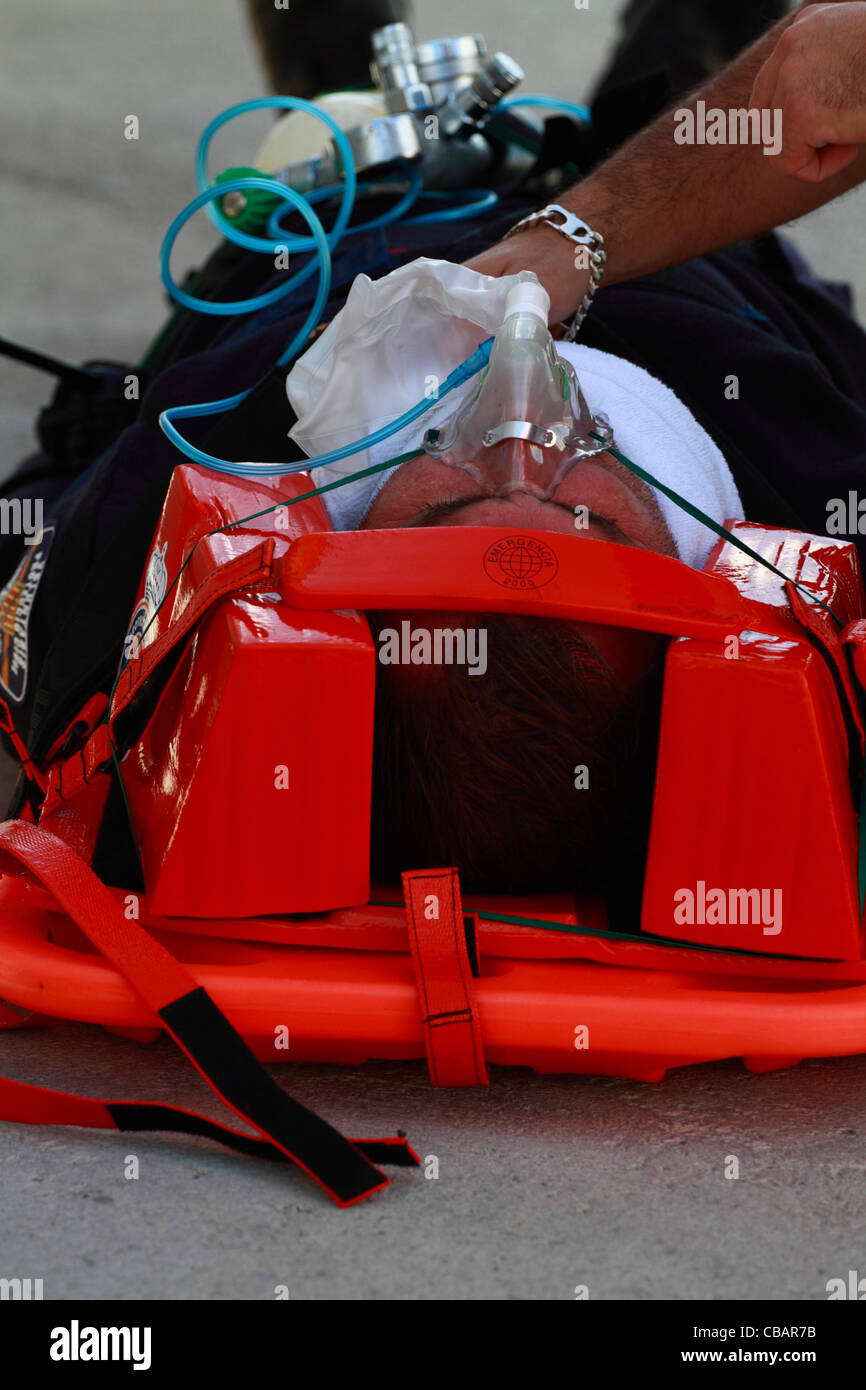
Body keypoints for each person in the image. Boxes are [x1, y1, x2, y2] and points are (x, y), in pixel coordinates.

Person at [3, 0, 866, 903]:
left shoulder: (156, 525)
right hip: (714, 243)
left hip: (338, 235)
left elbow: (48, 539)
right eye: (587, 503)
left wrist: (107, 420)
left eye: (447, 502)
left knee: (341, 121)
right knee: (717, 91)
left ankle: (339, 83)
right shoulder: (818, 498)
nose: (520, 420)